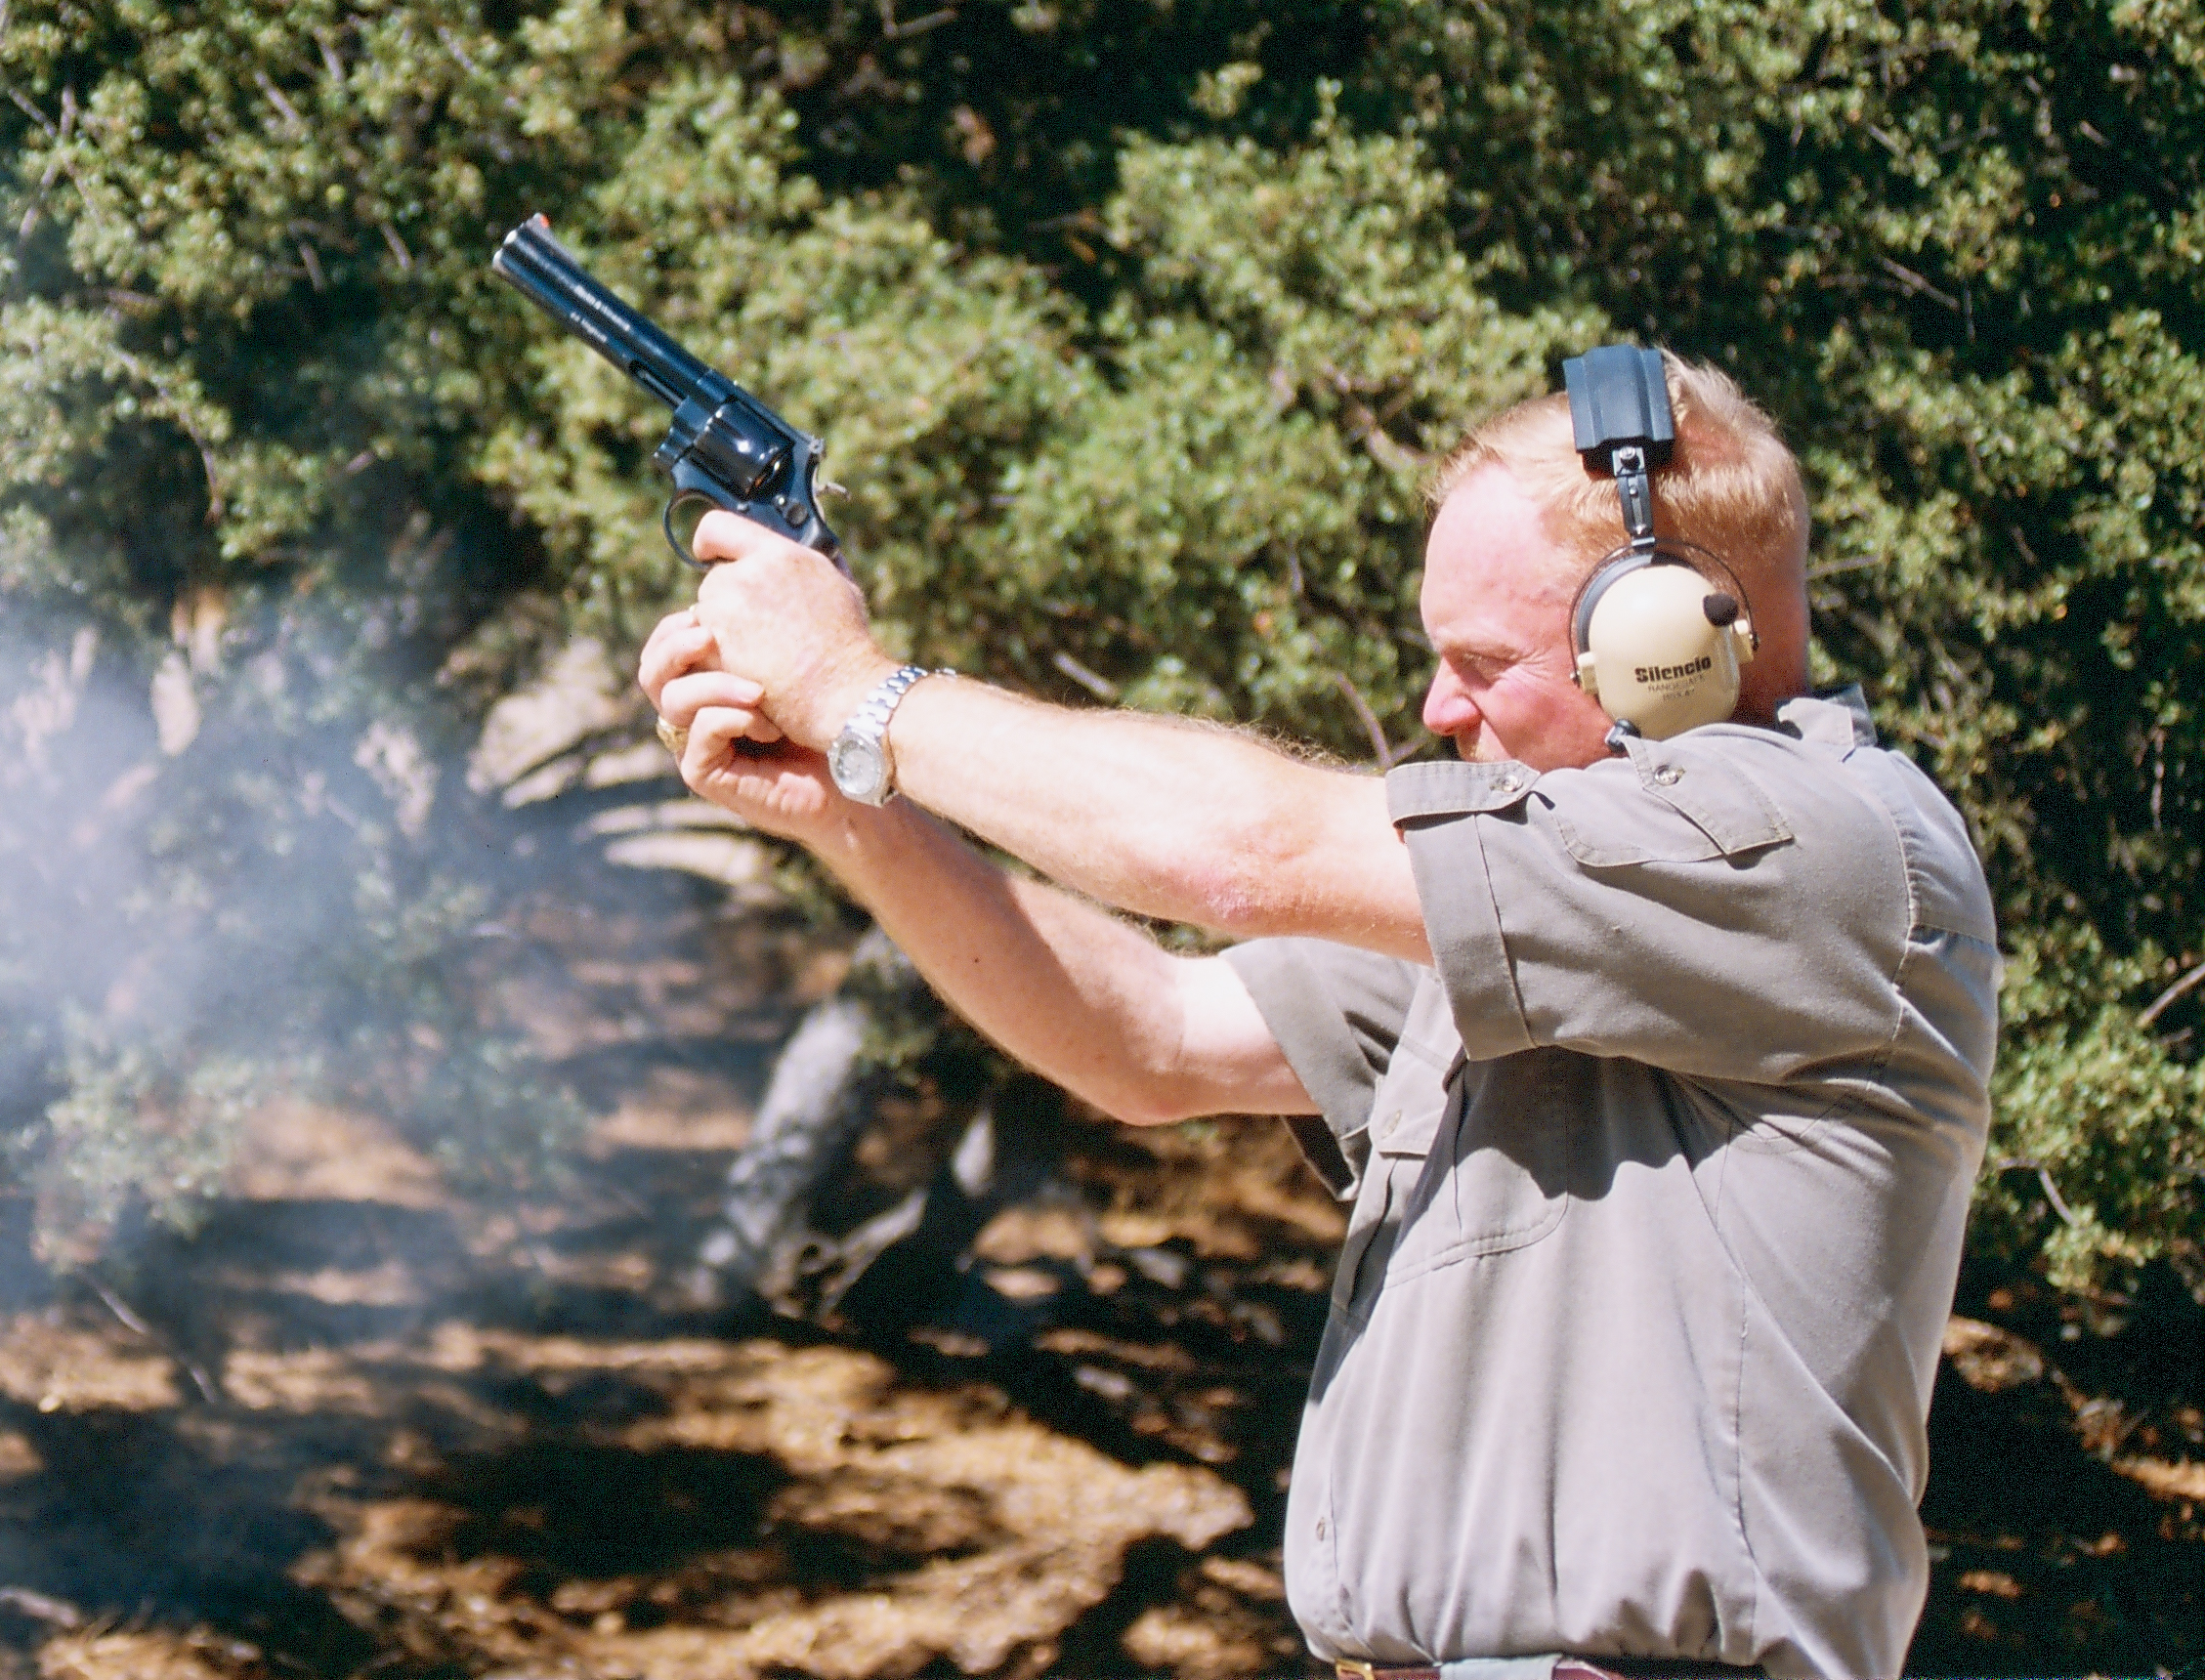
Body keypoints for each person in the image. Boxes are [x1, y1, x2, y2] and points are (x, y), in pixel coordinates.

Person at [638, 352, 1997, 1680]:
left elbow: (1236, 853)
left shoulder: (1804, 845)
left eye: (1480, 659)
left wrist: (857, 689)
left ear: (1665, 642)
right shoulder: (1556, 897)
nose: (1435, 704)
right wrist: (848, 810)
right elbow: (1145, 1036)